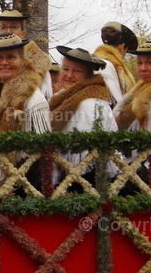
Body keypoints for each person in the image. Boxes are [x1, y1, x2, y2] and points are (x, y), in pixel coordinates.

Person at [48, 47, 116, 186]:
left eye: (77, 71)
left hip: (86, 179)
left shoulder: (90, 104)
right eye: (66, 69)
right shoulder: (62, 98)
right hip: (67, 175)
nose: (69, 75)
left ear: (88, 75)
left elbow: (87, 157)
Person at [0, 33, 50, 133]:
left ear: (22, 60)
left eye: (11, 57)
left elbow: (41, 143)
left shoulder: (33, 99)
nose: (4, 62)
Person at [0, 9, 52, 100]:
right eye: (3, 27)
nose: (8, 31)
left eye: (14, 27)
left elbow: (47, 99)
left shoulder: (39, 66)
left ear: (22, 34)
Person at [94, 21, 138, 105]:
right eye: (126, 51)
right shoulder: (108, 67)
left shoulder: (97, 62)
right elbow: (117, 105)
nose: (124, 56)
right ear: (122, 47)